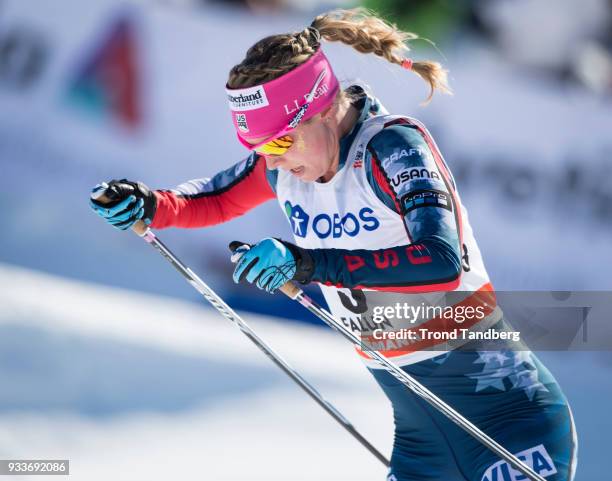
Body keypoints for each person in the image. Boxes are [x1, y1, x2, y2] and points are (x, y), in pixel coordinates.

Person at [90, 9, 577, 481]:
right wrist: (150, 204)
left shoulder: (392, 147)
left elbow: (441, 262)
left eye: (280, 144)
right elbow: (214, 199)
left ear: (323, 110)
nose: (273, 163)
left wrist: (307, 263)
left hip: (509, 425)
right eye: (260, 151)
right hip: (423, 449)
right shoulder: (287, 165)